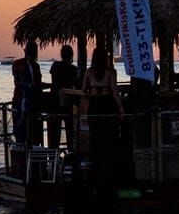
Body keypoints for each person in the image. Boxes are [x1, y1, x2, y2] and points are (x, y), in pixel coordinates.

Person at [81, 48, 124, 186]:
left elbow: (83, 90)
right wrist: (120, 107)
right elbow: (114, 91)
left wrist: (91, 91)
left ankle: (95, 169)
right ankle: (108, 171)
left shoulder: (89, 72)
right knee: (108, 138)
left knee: (95, 137)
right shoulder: (110, 72)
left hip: (94, 105)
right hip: (107, 104)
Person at [11, 41, 42, 146]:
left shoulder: (21, 64)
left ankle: (26, 154)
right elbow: (33, 84)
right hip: (24, 101)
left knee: (25, 132)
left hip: (25, 101)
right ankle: (28, 154)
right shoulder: (26, 65)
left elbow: (35, 84)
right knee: (27, 132)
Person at [46, 44, 77, 149]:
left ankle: (53, 157)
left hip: (54, 102)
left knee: (54, 133)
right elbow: (75, 85)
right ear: (71, 55)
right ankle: (71, 154)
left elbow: (54, 82)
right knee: (70, 131)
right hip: (68, 103)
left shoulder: (55, 66)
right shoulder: (73, 69)